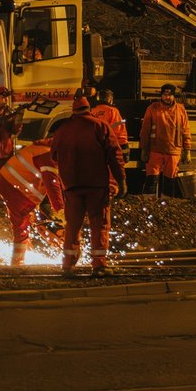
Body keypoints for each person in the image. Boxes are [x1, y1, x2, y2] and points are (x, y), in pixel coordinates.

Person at [51, 97, 126, 277]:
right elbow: (115, 155)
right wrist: (121, 180)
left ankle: (68, 265)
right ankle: (99, 265)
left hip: (72, 186)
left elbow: (53, 156)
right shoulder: (100, 126)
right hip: (96, 185)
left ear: (73, 111)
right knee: (99, 224)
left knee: (72, 226)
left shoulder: (62, 130)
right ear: (89, 109)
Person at [0, 139, 65, 266]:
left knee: (29, 221)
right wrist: (60, 209)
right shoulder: (47, 156)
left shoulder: (44, 149)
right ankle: (17, 263)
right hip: (15, 188)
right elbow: (52, 184)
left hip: (11, 184)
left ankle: (24, 254)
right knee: (21, 226)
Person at [139, 83, 192, 197]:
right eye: (164, 95)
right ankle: (149, 205)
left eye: (169, 95)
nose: (166, 97)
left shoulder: (181, 110)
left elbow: (186, 130)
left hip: (173, 151)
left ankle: (166, 207)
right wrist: (144, 149)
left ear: (174, 96)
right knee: (151, 180)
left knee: (169, 182)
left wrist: (187, 150)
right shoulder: (153, 108)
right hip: (155, 149)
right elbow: (145, 130)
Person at [92, 89, 130, 164]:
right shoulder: (113, 111)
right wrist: (125, 149)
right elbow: (120, 132)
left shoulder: (92, 111)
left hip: (95, 150)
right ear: (109, 99)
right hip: (110, 149)